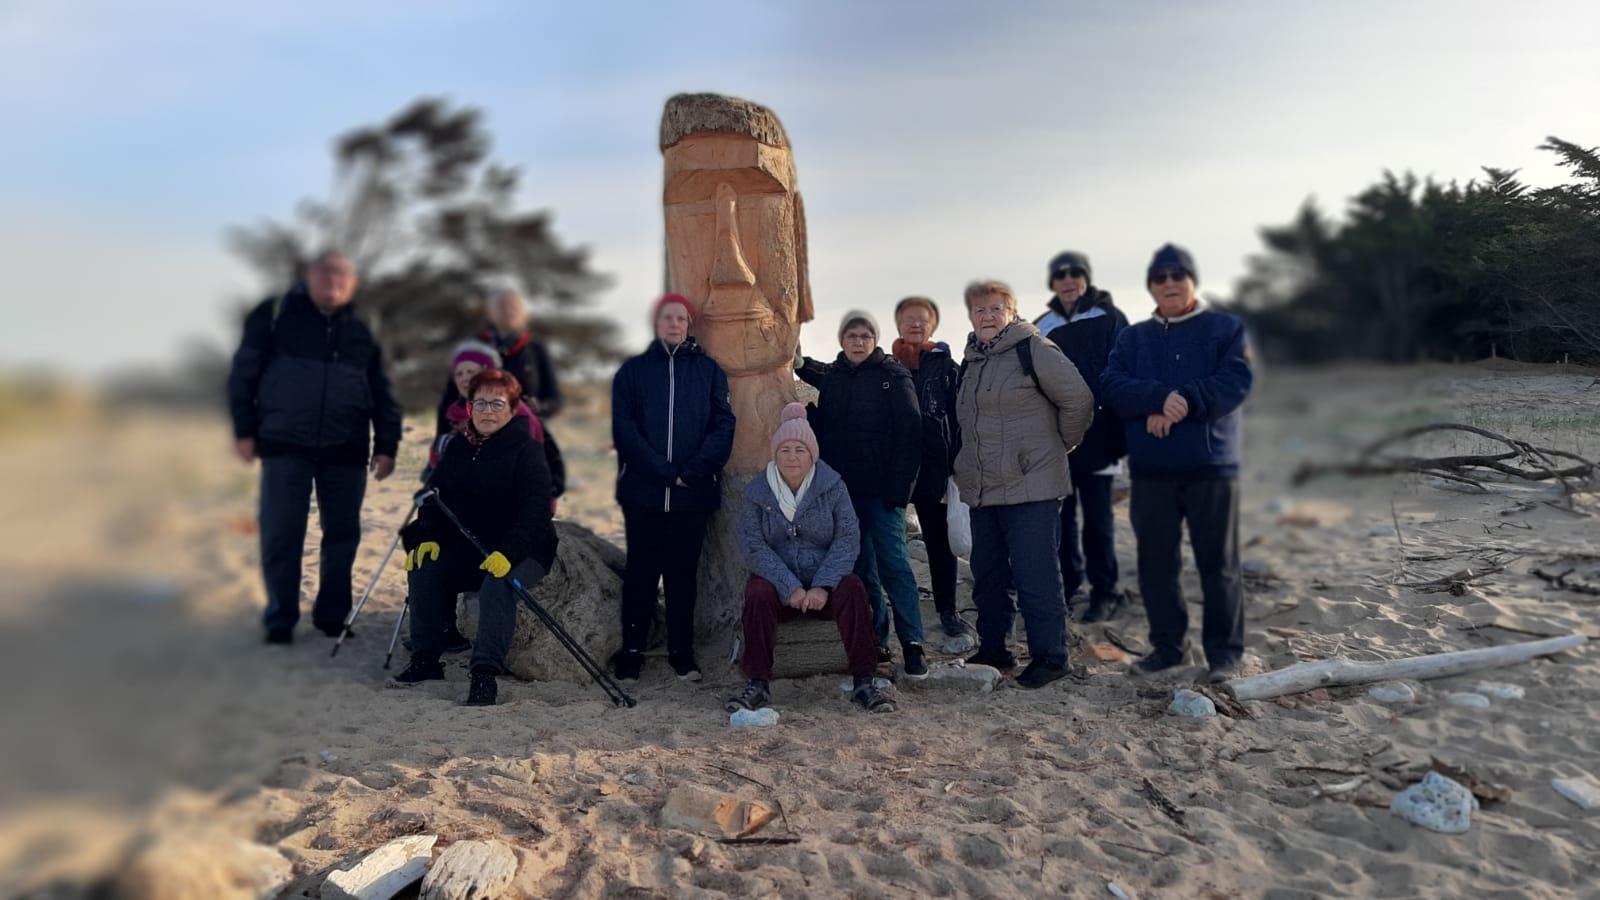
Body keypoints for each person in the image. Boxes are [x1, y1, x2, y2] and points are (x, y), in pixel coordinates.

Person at [226, 250, 402, 644]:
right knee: (280, 532)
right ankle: (280, 618)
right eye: (326, 272)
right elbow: (243, 373)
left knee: (342, 534)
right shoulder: (273, 313)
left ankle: (332, 617)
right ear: (308, 275)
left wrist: (387, 443)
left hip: (347, 444)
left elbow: (383, 388)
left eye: (342, 274)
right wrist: (244, 430)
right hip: (285, 442)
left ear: (353, 282)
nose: (333, 280)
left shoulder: (366, 324)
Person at [1101, 244, 1254, 682]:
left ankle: (1224, 655)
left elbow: (1236, 379)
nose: (1169, 283)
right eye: (1160, 277)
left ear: (1192, 281)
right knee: (1156, 565)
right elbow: (1112, 384)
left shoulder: (1226, 327)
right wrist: (1155, 398)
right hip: (1151, 471)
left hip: (1212, 468)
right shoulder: (1133, 337)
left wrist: (1185, 401)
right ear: (1151, 285)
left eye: (1177, 275)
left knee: (1219, 565)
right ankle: (1168, 648)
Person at [953, 279, 1094, 689]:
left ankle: (1051, 657)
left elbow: (1079, 401)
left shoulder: (1034, 350)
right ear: (971, 315)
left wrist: (1055, 447)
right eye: (980, 309)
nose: (988, 315)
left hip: (1031, 486)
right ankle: (995, 649)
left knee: (1036, 576)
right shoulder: (972, 361)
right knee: (989, 575)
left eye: (997, 308)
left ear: (1012, 312)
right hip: (983, 487)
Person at [389, 370, 558, 705]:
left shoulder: (527, 450)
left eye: (497, 403)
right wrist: (426, 535)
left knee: (498, 584)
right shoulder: (457, 448)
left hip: (524, 548)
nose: (488, 411)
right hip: (469, 546)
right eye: (480, 403)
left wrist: (509, 552)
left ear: (512, 410)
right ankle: (425, 659)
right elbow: (434, 499)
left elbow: (536, 511)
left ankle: (484, 673)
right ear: (469, 408)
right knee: (425, 567)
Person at [727, 403, 895, 714]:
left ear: (812, 454)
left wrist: (822, 585)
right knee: (757, 593)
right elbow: (752, 544)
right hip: (781, 585)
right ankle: (758, 683)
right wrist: (788, 586)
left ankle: (864, 680)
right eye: (785, 450)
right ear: (775, 455)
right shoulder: (757, 491)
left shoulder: (832, 487)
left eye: (799, 450)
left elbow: (847, 539)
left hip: (823, 584)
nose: (792, 457)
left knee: (854, 589)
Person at [610, 293, 736, 683]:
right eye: (668, 318)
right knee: (641, 575)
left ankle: (682, 652)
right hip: (644, 494)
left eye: (681, 318)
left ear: (689, 324)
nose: (674, 324)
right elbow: (625, 430)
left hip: (692, 496)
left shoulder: (709, 371)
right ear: (656, 322)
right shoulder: (632, 371)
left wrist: (693, 471)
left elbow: (724, 424)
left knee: (683, 577)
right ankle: (632, 651)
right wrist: (665, 472)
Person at [796, 311, 928, 678]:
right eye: (851, 335)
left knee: (895, 565)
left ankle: (913, 643)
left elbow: (911, 436)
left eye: (864, 336)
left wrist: (900, 491)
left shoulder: (892, 375)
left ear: (874, 339)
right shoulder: (836, 377)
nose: (858, 341)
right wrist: (808, 413)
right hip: (845, 495)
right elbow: (817, 379)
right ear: (842, 340)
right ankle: (875, 639)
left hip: (884, 494)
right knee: (860, 569)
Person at [1041, 252, 1130, 623]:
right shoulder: (1041, 325)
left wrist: (1123, 435)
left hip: (1102, 437)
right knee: (1062, 519)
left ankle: (1105, 591)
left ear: (1086, 278)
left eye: (1075, 273)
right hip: (1059, 438)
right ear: (1053, 281)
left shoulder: (1110, 317)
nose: (1068, 279)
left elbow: (1126, 373)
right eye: (1060, 274)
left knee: (1098, 520)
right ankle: (1070, 585)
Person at [889, 296, 968, 638]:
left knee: (939, 543)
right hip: (893, 469)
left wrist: (959, 461)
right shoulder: (887, 367)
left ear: (932, 324)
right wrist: (801, 363)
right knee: (888, 542)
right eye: (909, 319)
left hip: (936, 468)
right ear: (898, 325)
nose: (916, 324)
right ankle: (886, 612)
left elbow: (962, 417)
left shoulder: (948, 368)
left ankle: (947, 610)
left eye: (923, 319)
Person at [436, 287, 564, 420]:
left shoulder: (536, 349)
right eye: (502, 306)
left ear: (525, 314)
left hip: (526, 427)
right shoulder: (472, 348)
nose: (508, 311)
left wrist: (536, 408)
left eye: (514, 306)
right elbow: (450, 400)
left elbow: (555, 400)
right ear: (490, 313)